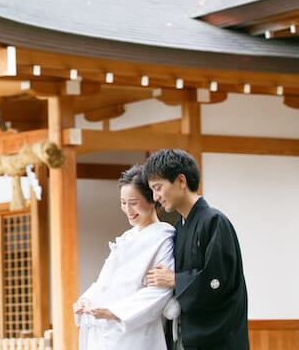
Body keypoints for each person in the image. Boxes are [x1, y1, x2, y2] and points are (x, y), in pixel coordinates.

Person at [144, 149, 249, 350]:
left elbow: (218, 279)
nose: (156, 197)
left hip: (218, 339)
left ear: (181, 181)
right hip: (186, 335)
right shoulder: (178, 229)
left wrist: (175, 279)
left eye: (158, 187)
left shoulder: (214, 221)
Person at [75, 165, 175, 350]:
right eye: (123, 202)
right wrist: (87, 300)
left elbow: (159, 292)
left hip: (135, 333)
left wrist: (114, 312)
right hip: (103, 328)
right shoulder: (127, 237)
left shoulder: (163, 237)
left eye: (133, 202)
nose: (128, 209)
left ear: (152, 199)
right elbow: (104, 282)